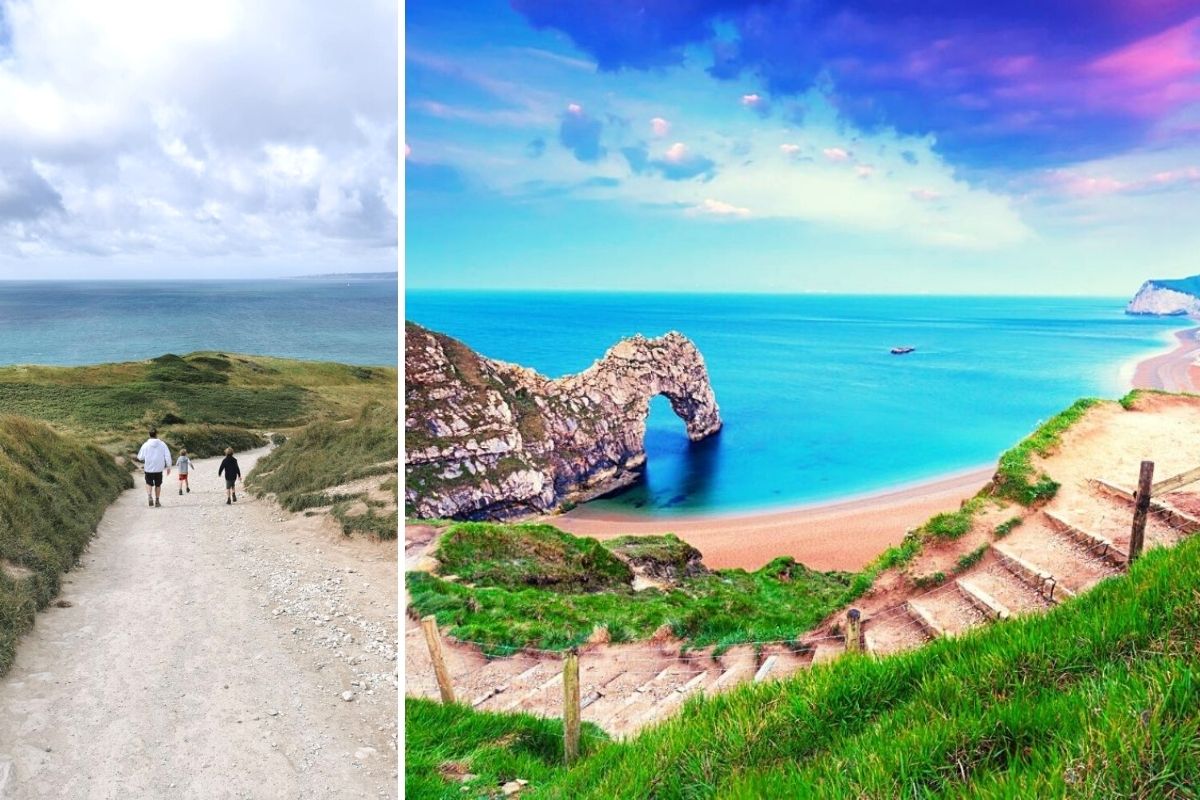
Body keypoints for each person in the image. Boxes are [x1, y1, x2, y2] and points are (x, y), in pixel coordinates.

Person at [136, 428, 172, 507]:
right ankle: (157, 501)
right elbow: (167, 456)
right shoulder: (162, 444)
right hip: (159, 468)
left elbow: (140, 457)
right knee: (158, 485)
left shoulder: (145, 445)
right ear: (156, 434)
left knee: (148, 483)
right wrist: (169, 466)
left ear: (149, 434)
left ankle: (149, 496)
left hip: (148, 468)